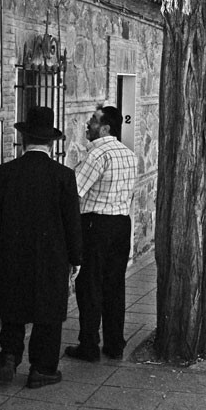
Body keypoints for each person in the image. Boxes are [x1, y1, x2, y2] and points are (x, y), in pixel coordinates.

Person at [0, 106, 83, 389]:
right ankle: (42, 368)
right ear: (51, 142)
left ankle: (9, 356)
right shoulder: (63, 176)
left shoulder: (5, 173)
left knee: (13, 307)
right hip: (52, 256)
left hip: (13, 253)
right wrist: (76, 258)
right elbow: (72, 222)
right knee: (48, 314)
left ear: (24, 140)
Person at [66, 105, 137, 362]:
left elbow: (75, 190)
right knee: (114, 284)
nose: (88, 124)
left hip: (96, 225)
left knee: (89, 284)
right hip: (121, 224)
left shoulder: (97, 155)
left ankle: (89, 344)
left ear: (105, 128)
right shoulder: (129, 155)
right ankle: (115, 343)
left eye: (94, 121)